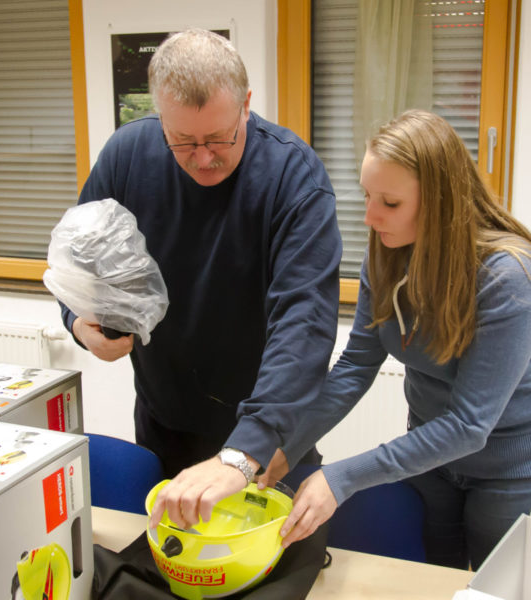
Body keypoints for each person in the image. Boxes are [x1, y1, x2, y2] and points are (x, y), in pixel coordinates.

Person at [59, 29, 342, 526]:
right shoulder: (128, 154)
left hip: (268, 433)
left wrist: (249, 448)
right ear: (159, 116)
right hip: (164, 420)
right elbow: (79, 262)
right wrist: (77, 322)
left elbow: (305, 325)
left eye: (218, 138)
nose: (204, 157)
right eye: (183, 141)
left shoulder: (293, 177)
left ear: (246, 106)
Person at [274, 109, 531, 570]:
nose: (371, 217)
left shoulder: (506, 278)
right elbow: (354, 367)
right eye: (367, 196)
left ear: (441, 202)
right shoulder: (386, 257)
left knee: (498, 584)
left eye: (390, 203)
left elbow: (470, 425)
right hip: (431, 459)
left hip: (511, 470)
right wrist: (283, 449)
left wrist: (341, 477)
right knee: (433, 576)